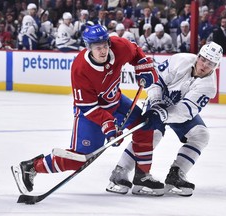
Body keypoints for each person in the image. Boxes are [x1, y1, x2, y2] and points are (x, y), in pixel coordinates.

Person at [11, 24, 164, 196]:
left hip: (117, 101)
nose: (103, 50)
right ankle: (32, 167)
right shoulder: (80, 68)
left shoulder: (119, 46)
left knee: (145, 126)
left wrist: (144, 66)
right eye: (98, 48)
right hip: (91, 113)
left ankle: (142, 176)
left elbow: (136, 52)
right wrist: (108, 125)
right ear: (89, 48)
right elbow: (88, 107)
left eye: (105, 45)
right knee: (80, 159)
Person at [106, 41, 223, 197]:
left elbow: (185, 110)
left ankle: (176, 174)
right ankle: (120, 171)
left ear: (216, 66)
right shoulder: (180, 59)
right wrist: (155, 102)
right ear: (198, 56)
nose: (204, 65)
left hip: (177, 111)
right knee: (151, 134)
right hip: (158, 101)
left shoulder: (209, 86)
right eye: (203, 59)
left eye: (210, 63)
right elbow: (156, 80)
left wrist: (163, 115)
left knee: (201, 135)